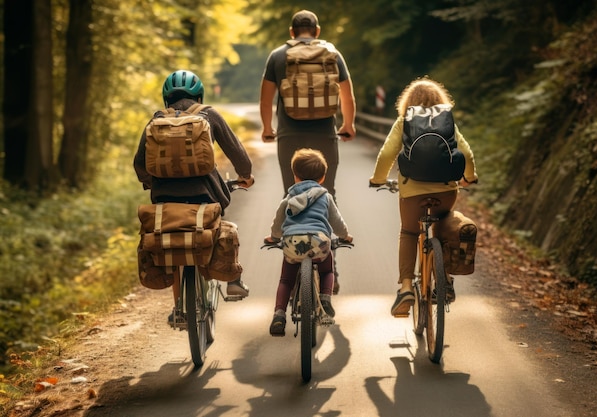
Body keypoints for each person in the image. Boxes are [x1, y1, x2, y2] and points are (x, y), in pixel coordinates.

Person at [134, 69, 255, 316]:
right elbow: (236, 152)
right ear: (199, 95)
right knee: (220, 225)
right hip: (206, 194)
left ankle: (180, 309)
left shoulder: (156, 120)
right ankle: (232, 280)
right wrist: (245, 175)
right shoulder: (209, 114)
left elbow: (139, 163)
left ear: (166, 98)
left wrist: (151, 182)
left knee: (175, 243)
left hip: (165, 198)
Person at [369, 77, 478, 317]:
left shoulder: (404, 120)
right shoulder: (447, 120)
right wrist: (470, 177)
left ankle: (406, 287)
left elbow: (387, 152)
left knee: (409, 232)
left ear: (408, 101)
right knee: (442, 227)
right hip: (445, 190)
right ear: (440, 100)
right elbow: (466, 153)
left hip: (413, 193)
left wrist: (378, 179)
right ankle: (444, 279)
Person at [259, 9, 357, 199]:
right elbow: (347, 95)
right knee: (327, 192)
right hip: (324, 134)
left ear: (291, 31)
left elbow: (265, 99)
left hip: (289, 135)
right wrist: (348, 125)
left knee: (290, 192)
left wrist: (267, 129)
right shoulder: (332, 54)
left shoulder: (278, 56)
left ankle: (289, 228)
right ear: (317, 31)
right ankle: (329, 227)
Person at [264, 148, 353, 336]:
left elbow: (278, 223)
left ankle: (279, 314)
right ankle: (325, 297)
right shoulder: (325, 197)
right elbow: (337, 223)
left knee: (286, 280)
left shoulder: (288, 199)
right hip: (319, 243)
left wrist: (274, 238)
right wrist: (345, 236)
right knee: (328, 270)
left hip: (292, 243)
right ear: (322, 178)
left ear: (295, 176)